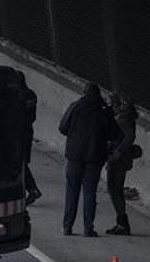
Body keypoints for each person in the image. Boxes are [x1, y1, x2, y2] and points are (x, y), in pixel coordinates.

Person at [58, 82, 121, 237]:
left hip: (74, 155)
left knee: (72, 190)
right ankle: (88, 228)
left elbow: (62, 128)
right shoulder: (105, 111)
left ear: (84, 92)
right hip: (95, 156)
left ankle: (67, 227)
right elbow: (117, 134)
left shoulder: (76, 106)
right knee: (89, 191)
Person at [105, 92, 139, 235]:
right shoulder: (126, 118)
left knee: (115, 189)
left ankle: (122, 223)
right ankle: (121, 222)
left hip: (119, 160)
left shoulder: (123, 120)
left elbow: (128, 137)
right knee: (115, 189)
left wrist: (117, 152)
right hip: (122, 159)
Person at [15, 72, 42, 206]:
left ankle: (32, 189)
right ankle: (31, 189)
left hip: (18, 132)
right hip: (27, 130)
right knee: (23, 160)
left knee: (19, 161)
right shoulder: (31, 94)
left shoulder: (17, 96)